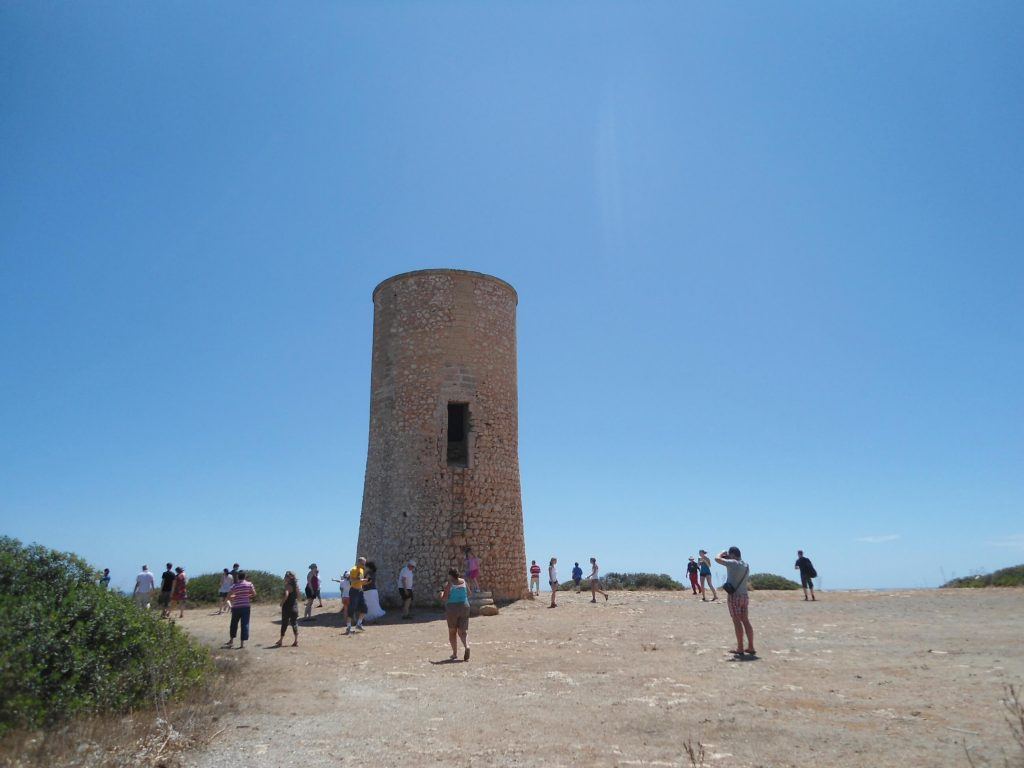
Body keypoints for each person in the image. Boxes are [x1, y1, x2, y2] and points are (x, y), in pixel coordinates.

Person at [715, 547, 754, 656]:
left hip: (734, 597)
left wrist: (721, 552)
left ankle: (740, 648)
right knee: (746, 620)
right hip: (744, 595)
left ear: (732, 554)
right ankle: (751, 646)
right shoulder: (746, 565)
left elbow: (716, 559)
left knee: (736, 621)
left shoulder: (732, 563)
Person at [439, 568, 471, 661]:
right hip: (465, 606)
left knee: (452, 632)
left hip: (452, 608)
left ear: (450, 576)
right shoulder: (464, 581)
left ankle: (454, 653)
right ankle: (467, 646)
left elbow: (444, 598)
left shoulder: (450, 584)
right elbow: (469, 593)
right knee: (463, 631)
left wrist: (441, 594)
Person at [225, 570, 256, 649]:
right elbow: (254, 594)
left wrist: (235, 596)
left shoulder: (235, 585)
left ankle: (231, 640)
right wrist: (246, 596)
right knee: (245, 624)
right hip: (246, 606)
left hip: (236, 607)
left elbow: (228, 596)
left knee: (234, 624)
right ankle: (242, 644)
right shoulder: (249, 584)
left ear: (238, 576)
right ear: (245, 576)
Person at [273, 570, 300, 647]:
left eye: (285, 576)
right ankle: (296, 641)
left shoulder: (287, 586)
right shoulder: (296, 586)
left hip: (287, 607)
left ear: (288, 578)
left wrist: (282, 603)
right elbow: (298, 596)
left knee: (284, 624)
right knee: (294, 623)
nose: (284, 578)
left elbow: (286, 595)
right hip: (294, 607)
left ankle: (281, 640)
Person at [345, 556, 369, 635]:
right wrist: (360, 580)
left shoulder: (362, 570)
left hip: (360, 591)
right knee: (351, 608)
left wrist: (365, 582)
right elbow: (351, 580)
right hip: (354, 591)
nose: (364, 565)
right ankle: (348, 627)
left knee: (364, 608)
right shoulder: (353, 569)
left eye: (364, 564)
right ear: (358, 562)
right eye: (363, 564)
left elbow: (360, 581)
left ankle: (359, 624)